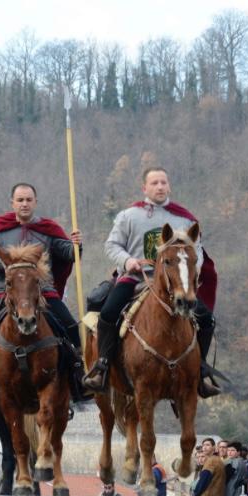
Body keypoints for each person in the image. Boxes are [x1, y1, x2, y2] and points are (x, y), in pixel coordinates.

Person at [83, 167, 219, 397]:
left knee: (207, 319)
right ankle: (103, 365)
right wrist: (128, 261)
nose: (159, 187)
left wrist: (189, 270)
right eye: (154, 183)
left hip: (174, 282)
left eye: (163, 182)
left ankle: (201, 369)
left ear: (169, 186)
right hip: (137, 277)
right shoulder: (128, 216)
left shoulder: (184, 219)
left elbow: (197, 251)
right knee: (108, 313)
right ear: (144, 188)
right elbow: (112, 245)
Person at [0, 182, 86, 406]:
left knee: (70, 326)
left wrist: (75, 245)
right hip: (6, 294)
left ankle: (78, 376)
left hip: (43, 292)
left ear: (35, 202)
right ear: (12, 203)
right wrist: (7, 267)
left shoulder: (48, 230)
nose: (24, 204)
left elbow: (68, 254)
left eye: (29, 200)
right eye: (20, 200)